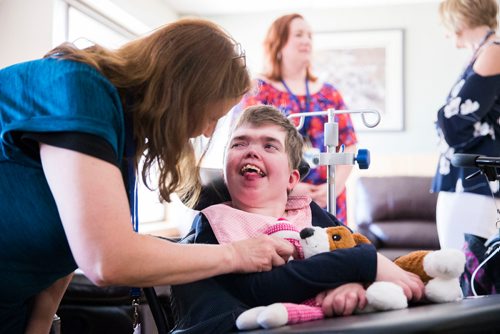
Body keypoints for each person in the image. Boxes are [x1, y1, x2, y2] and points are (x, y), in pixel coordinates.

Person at [0, 18, 296, 333]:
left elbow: (70, 241)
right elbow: (104, 258)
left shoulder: (117, 132)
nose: (206, 131)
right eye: (212, 117)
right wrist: (235, 255)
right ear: (183, 96)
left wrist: (39, 324)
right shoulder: (78, 90)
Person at [170, 105, 424, 333]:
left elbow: (351, 246)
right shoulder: (213, 226)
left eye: (269, 145)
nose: (251, 152)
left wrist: (353, 286)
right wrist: (362, 263)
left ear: (292, 179)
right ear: (225, 173)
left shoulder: (310, 212)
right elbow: (259, 290)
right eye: (239, 144)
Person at [239, 13, 357, 223]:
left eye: (310, 36)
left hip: (329, 196)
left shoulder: (330, 94)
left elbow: (349, 144)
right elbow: (250, 145)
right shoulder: (259, 90)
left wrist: (335, 185)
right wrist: (288, 184)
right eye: (299, 34)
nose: (307, 41)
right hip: (278, 197)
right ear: (279, 42)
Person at [431, 0, 500, 295]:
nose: (449, 36)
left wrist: (442, 117)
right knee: (458, 270)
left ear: (459, 19)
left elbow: (454, 121)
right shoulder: (483, 52)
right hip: (465, 178)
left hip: (474, 179)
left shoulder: (494, 50)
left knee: (465, 271)